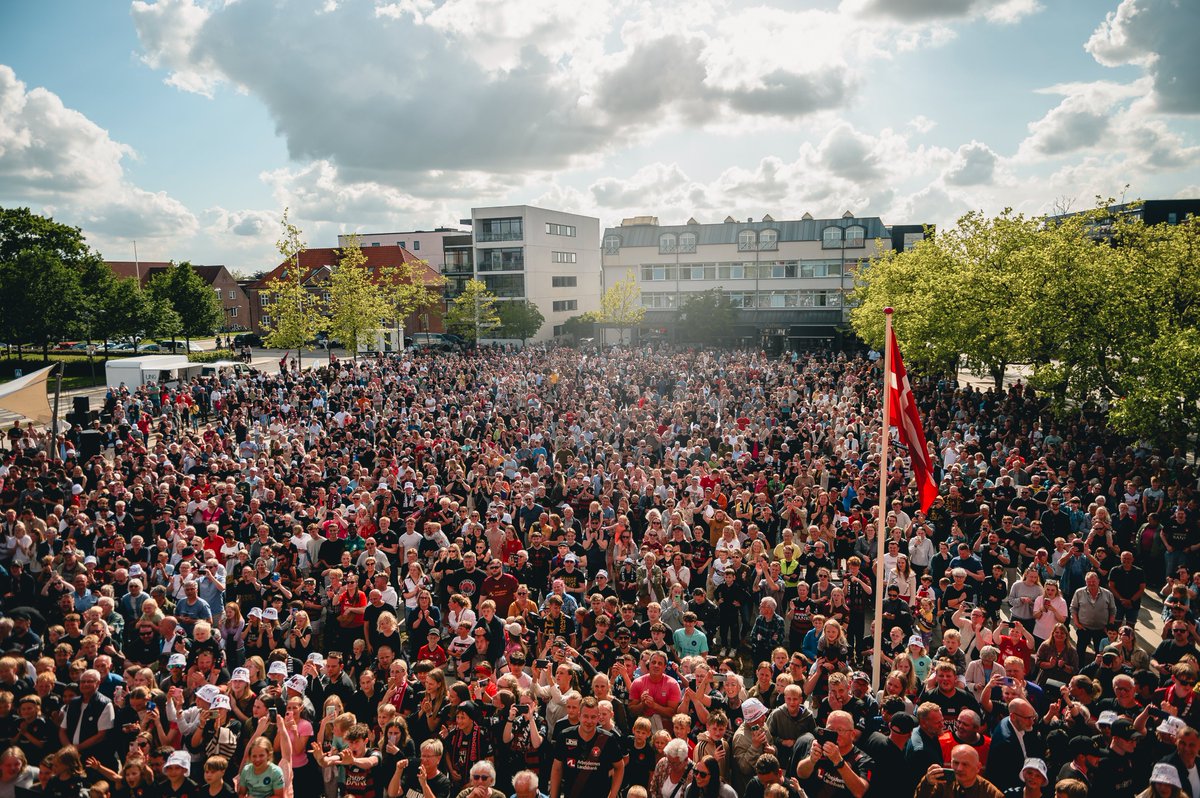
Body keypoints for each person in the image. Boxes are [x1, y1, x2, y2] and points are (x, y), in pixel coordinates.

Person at [548, 697, 624, 798]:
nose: (589, 721)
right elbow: (557, 769)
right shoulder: (565, 736)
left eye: (593, 717)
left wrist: (612, 795)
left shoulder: (608, 739)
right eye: (585, 716)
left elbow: (619, 766)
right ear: (579, 716)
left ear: (598, 718)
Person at [795, 710, 873, 798]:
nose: (835, 734)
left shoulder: (862, 760)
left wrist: (839, 761)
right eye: (830, 730)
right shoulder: (820, 747)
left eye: (840, 730)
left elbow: (860, 792)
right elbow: (801, 774)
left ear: (852, 735)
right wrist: (811, 760)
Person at [913, 744, 1003, 798]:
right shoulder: (941, 784)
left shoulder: (990, 793)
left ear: (978, 767)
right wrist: (927, 783)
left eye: (965, 764)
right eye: (956, 763)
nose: (959, 768)